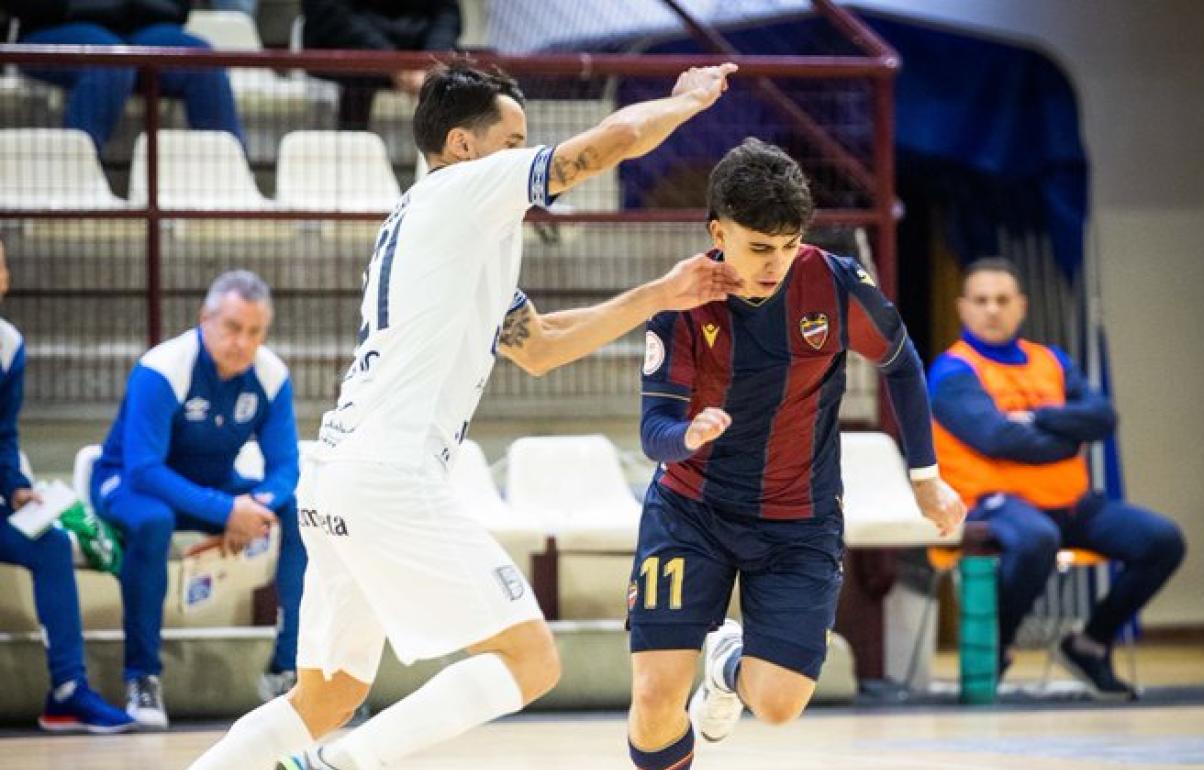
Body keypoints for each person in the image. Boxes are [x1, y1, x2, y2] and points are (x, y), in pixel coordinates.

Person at [183, 59, 740, 770]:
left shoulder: (450, 230)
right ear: (464, 145)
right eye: (514, 141)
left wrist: (659, 294)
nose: (526, 156)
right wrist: (685, 102)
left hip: (339, 476)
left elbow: (539, 347)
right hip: (389, 472)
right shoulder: (464, 190)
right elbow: (604, 146)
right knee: (530, 660)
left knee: (324, 698)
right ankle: (338, 766)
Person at [628, 139, 965, 767]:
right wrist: (688, 435)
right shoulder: (679, 303)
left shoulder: (836, 285)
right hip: (691, 511)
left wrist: (926, 478)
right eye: (759, 247)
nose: (775, 263)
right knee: (653, 699)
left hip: (798, 521)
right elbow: (654, 430)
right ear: (717, 231)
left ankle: (726, 664)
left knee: (780, 704)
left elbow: (901, 363)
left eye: (787, 247)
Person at [928, 257, 1185, 699]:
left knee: (1162, 540)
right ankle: (997, 647)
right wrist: (1067, 439)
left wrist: (1040, 416)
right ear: (963, 308)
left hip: (1071, 502)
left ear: (1021, 306)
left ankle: (1090, 644)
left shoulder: (1052, 361)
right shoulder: (953, 371)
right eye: (982, 300)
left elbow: (1102, 417)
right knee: (1036, 538)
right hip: (993, 503)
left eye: (1003, 300)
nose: (993, 309)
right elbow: (995, 437)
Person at [91, 270, 305, 729]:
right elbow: (144, 468)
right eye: (231, 327)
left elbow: (285, 468)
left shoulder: (271, 376)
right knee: (153, 522)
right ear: (204, 319)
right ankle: (142, 678)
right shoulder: (163, 368)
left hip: (209, 487)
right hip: (127, 483)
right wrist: (227, 510)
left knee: (296, 512)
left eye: (254, 332)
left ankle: (285, 671)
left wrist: (258, 507)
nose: (241, 342)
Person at [0, 239, 135, 733]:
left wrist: (15, 486)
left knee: (52, 545)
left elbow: (4, 432)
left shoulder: (9, 344)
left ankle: (67, 692)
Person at [5, 0, 244, 153]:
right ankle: (75, 181)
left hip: (142, 29)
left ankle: (230, 182)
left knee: (202, 62)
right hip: (57, 27)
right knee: (110, 60)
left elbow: (179, 9)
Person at [302, 0, 461, 130]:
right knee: (358, 80)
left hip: (421, 57)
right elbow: (330, 14)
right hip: (350, 55)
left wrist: (430, 62)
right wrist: (392, 62)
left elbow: (447, 12)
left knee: (462, 78)